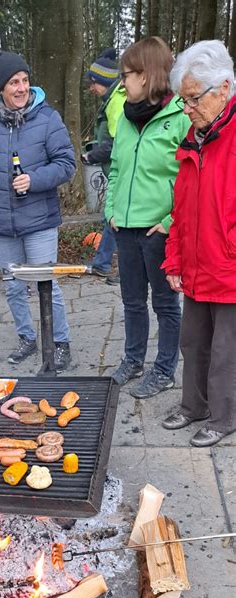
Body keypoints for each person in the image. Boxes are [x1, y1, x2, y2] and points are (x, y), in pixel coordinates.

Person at [0, 51, 76, 370]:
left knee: (47, 284)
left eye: (25, 80)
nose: (21, 88)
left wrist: (34, 179)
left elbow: (66, 164)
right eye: (14, 82)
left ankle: (59, 343)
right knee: (13, 285)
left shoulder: (47, 119)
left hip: (40, 220)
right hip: (3, 224)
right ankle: (27, 338)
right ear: (1, 88)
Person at [106, 37, 190, 398]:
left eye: (126, 74)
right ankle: (133, 359)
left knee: (165, 303)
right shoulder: (125, 118)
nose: (122, 82)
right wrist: (110, 210)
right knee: (131, 301)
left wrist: (170, 223)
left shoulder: (181, 118)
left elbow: (191, 178)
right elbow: (115, 167)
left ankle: (165, 369)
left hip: (159, 230)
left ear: (147, 74)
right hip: (124, 227)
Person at [161, 40, 235, 447]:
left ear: (223, 89)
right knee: (193, 341)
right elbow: (182, 208)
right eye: (183, 100)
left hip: (229, 265)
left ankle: (225, 416)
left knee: (227, 351)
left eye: (192, 99)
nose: (186, 109)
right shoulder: (194, 138)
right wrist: (174, 258)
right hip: (196, 263)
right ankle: (194, 405)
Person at [82, 48, 125, 286]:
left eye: (94, 83)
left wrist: (93, 156)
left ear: (105, 81)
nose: (91, 88)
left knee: (117, 218)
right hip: (118, 171)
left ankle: (116, 267)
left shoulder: (118, 101)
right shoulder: (112, 98)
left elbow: (118, 142)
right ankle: (103, 263)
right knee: (112, 216)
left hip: (124, 171)